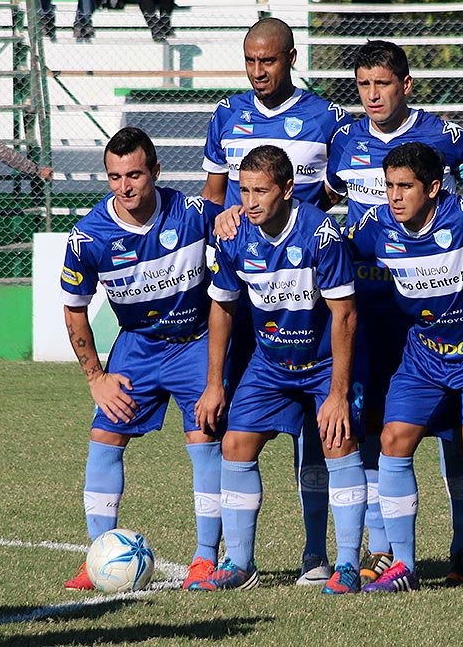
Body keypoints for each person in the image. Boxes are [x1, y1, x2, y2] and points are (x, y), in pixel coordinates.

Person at [323, 40, 463, 588]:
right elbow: (318, 206)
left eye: (382, 83)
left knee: (458, 433)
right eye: (363, 85)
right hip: (370, 308)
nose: (372, 95)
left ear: (405, 84)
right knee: (377, 427)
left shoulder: (446, 138)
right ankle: (384, 549)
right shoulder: (344, 140)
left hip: (440, 309)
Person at [202, 17, 352, 587]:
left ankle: (324, 555)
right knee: (239, 433)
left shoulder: (329, 117)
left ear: (291, 58)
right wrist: (230, 222)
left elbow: (347, 184)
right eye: (249, 61)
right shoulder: (226, 114)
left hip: (311, 286)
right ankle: (232, 559)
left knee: (323, 435)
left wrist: (304, 225)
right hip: (257, 297)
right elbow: (215, 199)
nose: (257, 71)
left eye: (267, 60)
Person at [346, 142, 463, 596]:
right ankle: (404, 564)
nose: (394, 196)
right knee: (392, 439)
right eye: (389, 186)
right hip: (425, 357)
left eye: (405, 186)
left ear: (435, 187)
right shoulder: (376, 225)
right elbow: (328, 249)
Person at [191, 145, 365, 593]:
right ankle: (239, 563)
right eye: (244, 191)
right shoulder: (234, 237)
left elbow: (345, 315)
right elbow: (222, 309)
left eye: (261, 191)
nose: (249, 202)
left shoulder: (321, 235)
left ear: (287, 189)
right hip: (270, 364)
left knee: (337, 441)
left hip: (324, 362)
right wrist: (214, 384)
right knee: (235, 445)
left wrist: (338, 393)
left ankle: (347, 563)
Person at [59, 127, 221, 591]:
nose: (124, 187)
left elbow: (239, 226)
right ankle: (98, 555)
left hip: (194, 343)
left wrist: (231, 217)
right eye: (114, 177)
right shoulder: (88, 237)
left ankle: (206, 558)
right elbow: (74, 309)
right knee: (104, 435)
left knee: (204, 437)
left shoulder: (192, 214)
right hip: (138, 346)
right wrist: (96, 377)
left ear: (155, 171)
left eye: (134, 175)